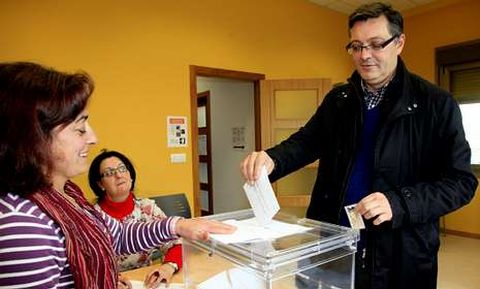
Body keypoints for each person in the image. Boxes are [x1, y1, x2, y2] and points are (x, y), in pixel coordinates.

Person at [240, 2, 478, 289]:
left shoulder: (436, 104)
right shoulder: (338, 100)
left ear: (399, 42)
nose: (365, 56)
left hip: (400, 253)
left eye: (376, 45)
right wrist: (271, 159)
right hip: (333, 242)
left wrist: (399, 202)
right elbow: (306, 142)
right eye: (356, 46)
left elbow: (461, 182)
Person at [0, 61, 235, 289]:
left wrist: (179, 225)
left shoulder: (66, 192)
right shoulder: (23, 225)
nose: (93, 138)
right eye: (80, 128)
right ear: (33, 138)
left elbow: (118, 235)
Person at [88, 149, 182, 287]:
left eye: (122, 169)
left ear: (130, 175)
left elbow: (176, 244)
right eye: (109, 173)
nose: (119, 175)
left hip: (144, 282)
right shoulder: (90, 216)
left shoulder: (148, 208)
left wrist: (168, 267)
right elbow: (85, 265)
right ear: (100, 184)